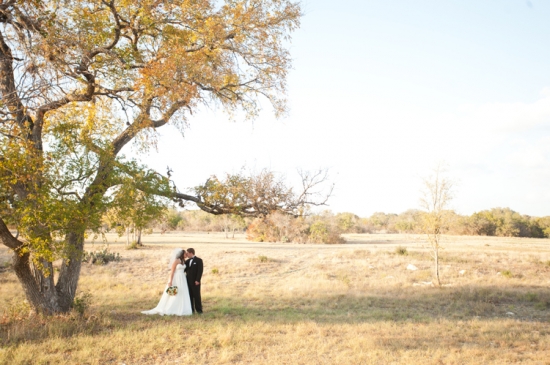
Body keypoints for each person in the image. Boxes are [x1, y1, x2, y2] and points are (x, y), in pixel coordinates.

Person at [141, 248, 192, 316]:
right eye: (185, 253)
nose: (186, 254)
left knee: (182, 292)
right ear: (182, 254)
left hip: (182, 278)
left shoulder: (183, 261)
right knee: (175, 292)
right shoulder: (177, 261)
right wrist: (170, 281)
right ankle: (171, 308)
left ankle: (182, 307)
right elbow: (172, 272)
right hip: (176, 278)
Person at [184, 248, 203, 314]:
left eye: (187, 253)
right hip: (188, 281)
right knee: (190, 296)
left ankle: (199, 310)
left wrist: (197, 280)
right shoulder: (187, 261)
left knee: (197, 296)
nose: (187, 255)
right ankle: (191, 310)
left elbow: (200, 271)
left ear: (191, 253)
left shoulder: (199, 260)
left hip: (195, 282)